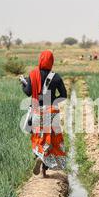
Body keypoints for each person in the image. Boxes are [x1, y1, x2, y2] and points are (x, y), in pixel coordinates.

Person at [20, 50, 67, 178]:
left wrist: (23, 84)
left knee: (38, 137)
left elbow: (28, 92)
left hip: (37, 110)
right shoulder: (56, 77)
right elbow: (64, 95)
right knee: (50, 138)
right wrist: (52, 100)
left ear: (40, 59)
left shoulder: (33, 74)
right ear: (51, 61)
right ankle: (44, 170)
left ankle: (39, 156)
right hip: (51, 110)